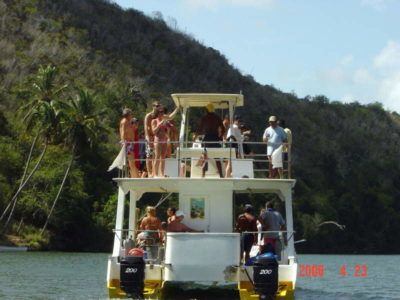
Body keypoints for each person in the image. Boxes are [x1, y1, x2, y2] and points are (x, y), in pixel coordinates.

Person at [197, 103, 225, 177]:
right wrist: (220, 137)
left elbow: (199, 129)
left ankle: (203, 175)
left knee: (204, 156)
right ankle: (221, 175)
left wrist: (196, 135)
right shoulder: (217, 118)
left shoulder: (204, 118)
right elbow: (223, 129)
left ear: (207, 110)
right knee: (217, 157)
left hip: (207, 139)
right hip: (215, 139)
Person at [151, 109, 172, 177]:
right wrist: (160, 123)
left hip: (164, 140)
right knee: (157, 157)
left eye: (163, 113)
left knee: (163, 158)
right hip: (158, 140)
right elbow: (154, 131)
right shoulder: (154, 121)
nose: (162, 114)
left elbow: (167, 130)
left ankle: (162, 174)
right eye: (161, 113)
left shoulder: (165, 121)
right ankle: (155, 174)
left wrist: (168, 137)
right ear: (158, 113)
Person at [119, 108, 139, 178]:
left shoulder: (127, 121)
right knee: (131, 161)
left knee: (131, 162)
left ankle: (134, 176)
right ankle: (135, 177)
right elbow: (123, 133)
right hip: (127, 143)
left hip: (129, 143)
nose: (132, 115)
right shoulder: (125, 121)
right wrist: (124, 142)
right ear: (128, 114)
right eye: (131, 113)